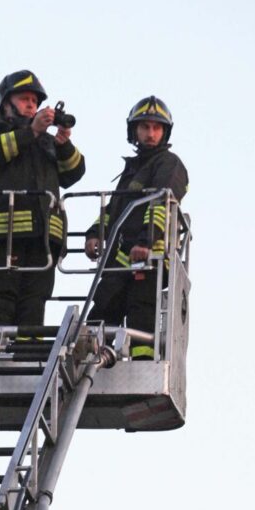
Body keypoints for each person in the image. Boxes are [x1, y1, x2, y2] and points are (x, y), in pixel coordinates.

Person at [0, 70, 85, 326]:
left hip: (42, 240)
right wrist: (31, 132)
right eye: (24, 99)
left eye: (35, 100)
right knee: (0, 302)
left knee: (34, 307)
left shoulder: (45, 142)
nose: (31, 105)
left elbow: (74, 173)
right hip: (1, 238)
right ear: (5, 104)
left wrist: (63, 144)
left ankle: (28, 350)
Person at [84, 96, 188, 359]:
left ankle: (142, 362)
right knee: (103, 310)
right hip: (121, 258)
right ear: (134, 131)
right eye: (145, 127)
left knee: (141, 314)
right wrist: (94, 233)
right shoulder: (133, 169)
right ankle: (95, 358)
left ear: (164, 132)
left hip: (149, 258)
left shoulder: (169, 164)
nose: (150, 133)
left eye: (156, 128)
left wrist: (145, 242)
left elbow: (161, 202)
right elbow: (114, 209)